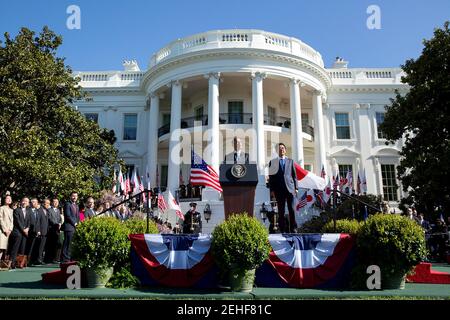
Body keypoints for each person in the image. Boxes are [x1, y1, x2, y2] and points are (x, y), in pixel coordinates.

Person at [268, 143, 298, 233]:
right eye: (279, 148)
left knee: (292, 210)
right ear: (277, 151)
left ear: (285, 150)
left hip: (290, 189)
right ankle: (282, 230)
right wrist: (272, 190)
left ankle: (293, 229)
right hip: (279, 190)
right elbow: (271, 178)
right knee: (281, 211)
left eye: (283, 148)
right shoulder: (272, 162)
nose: (281, 150)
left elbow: (294, 176)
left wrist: (296, 188)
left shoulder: (291, 161)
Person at [9, 197, 31, 269]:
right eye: (24, 201)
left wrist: (27, 228)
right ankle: (12, 263)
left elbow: (29, 221)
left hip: (24, 233)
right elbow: (17, 222)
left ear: (28, 203)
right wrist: (23, 230)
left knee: (22, 249)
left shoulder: (28, 211)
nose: (25, 202)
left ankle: (20, 263)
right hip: (17, 232)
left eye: (26, 201)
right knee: (15, 248)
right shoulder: (16, 210)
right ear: (21, 202)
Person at [61, 192, 80, 263]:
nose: (74, 197)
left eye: (76, 196)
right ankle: (64, 259)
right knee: (67, 243)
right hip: (69, 227)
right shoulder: (67, 204)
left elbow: (77, 217)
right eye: (73, 196)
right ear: (70, 196)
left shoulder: (77, 206)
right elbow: (68, 216)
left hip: (74, 227)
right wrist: (75, 223)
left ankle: (69, 258)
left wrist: (78, 224)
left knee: (72, 244)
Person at [45, 198, 62, 263]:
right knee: (50, 245)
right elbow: (49, 218)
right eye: (54, 202)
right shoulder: (49, 210)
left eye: (57, 202)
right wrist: (56, 224)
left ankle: (55, 258)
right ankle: (48, 259)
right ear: (52, 203)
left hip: (57, 230)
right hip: (51, 229)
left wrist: (60, 223)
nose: (55, 203)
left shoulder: (58, 210)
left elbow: (59, 219)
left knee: (56, 244)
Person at [34, 199, 50, 265]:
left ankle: (40, 259)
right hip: (40, 231)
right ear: (43, 204)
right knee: (39, 246)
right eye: (47, 203)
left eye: (49, 203)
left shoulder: (47, 211)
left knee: (42, 247)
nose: (48, 205)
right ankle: (38, 259)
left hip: (45, 232)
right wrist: (38, 230)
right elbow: (37, 222)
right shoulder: (39, 210)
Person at [26, 198, 41, 263]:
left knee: (34, 247)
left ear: (37, 203)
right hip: (29, 232)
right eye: (32, 202)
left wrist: (38, 230)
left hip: (35, 232)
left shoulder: (37, 211)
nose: (34, 203)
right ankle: (26, 261)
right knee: (28, 247)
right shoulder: (28, 211)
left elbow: (38, 222)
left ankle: (32, 260)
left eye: (35, 202)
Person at [0, 195, 14, 263]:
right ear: (4, 200)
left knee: (5, 248)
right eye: (7, 198)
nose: (9, 200)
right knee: (1, 247)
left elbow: (12, 221)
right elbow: (0, 219)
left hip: (9, 231)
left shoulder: (11, 210)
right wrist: (5, 229)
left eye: (10, 199)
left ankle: (2, 263)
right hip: (2, 231)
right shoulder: (1, 208)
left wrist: (10, 229)